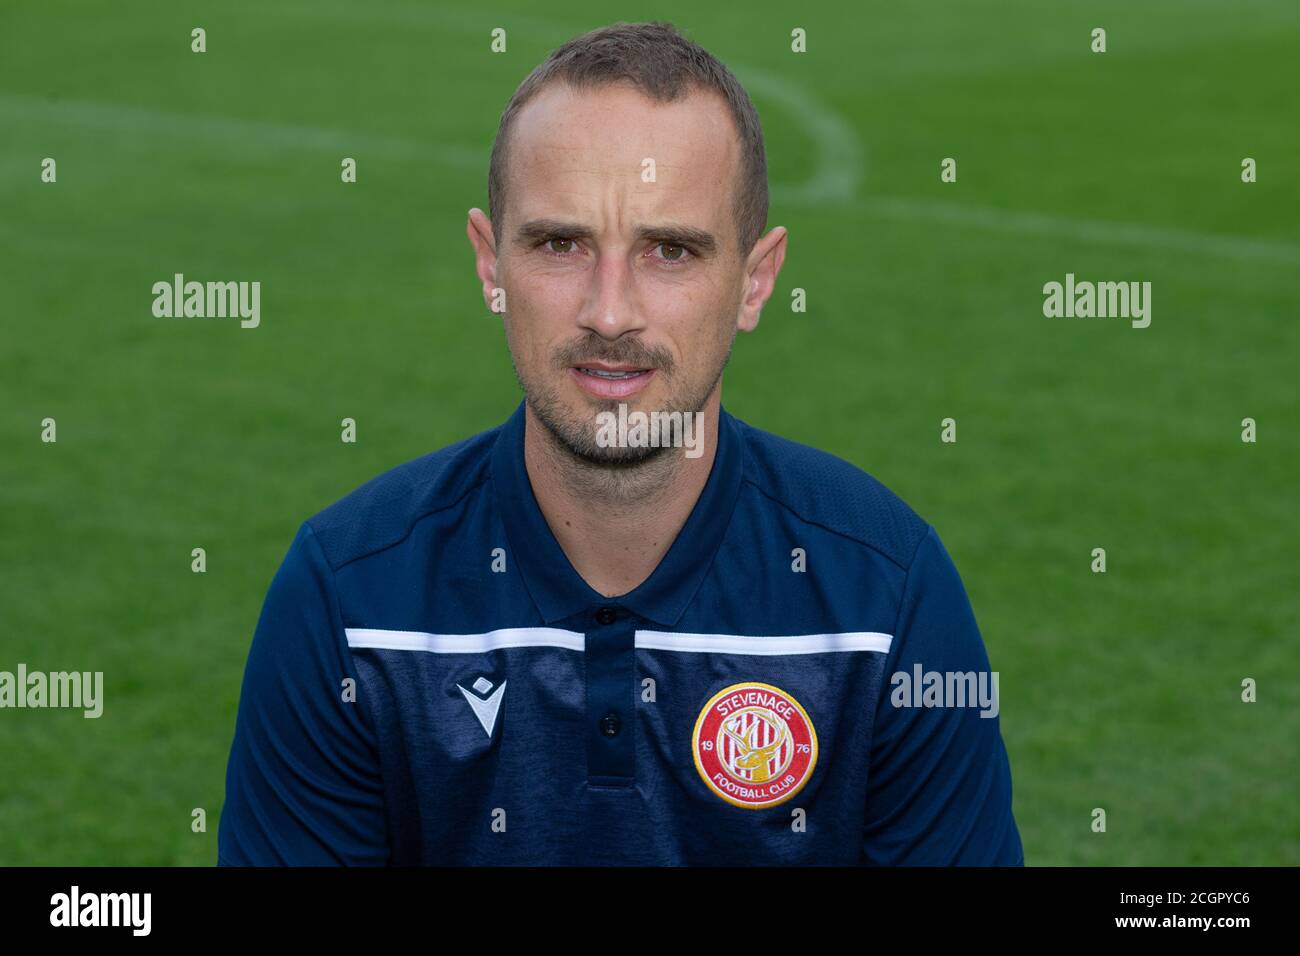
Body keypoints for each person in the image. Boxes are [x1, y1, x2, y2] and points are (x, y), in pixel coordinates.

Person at [217, 20, 1023, 866]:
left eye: (670, 250)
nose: (610, 312)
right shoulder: (349, 599)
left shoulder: (884, 599)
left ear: (756, 280)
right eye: (560, 244)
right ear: (490, 267)